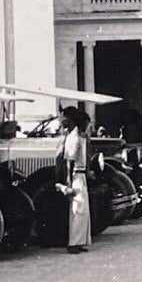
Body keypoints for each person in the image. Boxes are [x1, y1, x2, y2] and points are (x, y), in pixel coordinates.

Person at [57, 105, 93, 253]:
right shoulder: (73, 138)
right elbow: (69, 162)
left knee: (82, 210)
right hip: (76, 175)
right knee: (78, 209)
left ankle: (79, 241)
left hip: (80, 174)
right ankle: (74, 243)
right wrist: (68, 183)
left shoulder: (78, 137)